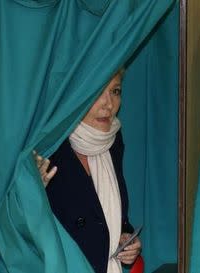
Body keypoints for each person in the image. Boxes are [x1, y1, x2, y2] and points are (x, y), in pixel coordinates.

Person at [34, 70, 141, 273]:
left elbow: (105, 216)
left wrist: (125, 238)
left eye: (115, 91)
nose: (108, 104)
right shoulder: (46, 147)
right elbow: (21, 232)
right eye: (98, 92)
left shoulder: (112, 141)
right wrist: (32, 192)